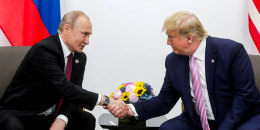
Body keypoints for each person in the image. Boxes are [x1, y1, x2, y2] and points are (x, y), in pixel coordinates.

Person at [108, 11, 260, 130]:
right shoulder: (173, 60)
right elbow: (165, 100)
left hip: (238, 118)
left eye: (171, 37)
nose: (167, 42)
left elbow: (245, 96)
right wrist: (130, 109)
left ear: (189, 38)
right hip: (198, 121)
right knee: (168, 128)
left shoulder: (231, 51)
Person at [0, 10, 126, 130]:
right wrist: (105, 100)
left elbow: (74, 94)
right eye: (84, 34)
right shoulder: (44, 50)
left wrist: (62, 119)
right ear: (67, 29)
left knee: (86, 119)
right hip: (21, 114)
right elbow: (65, 87)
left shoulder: (79, 57)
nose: (87, 41)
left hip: (49, 116)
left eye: (89, 35)